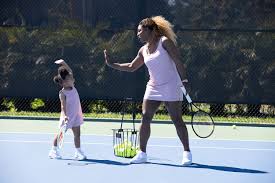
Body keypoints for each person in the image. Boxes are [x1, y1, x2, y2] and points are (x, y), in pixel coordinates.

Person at [104, 16, 192, 165]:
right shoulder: (143, 50)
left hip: (171, 85)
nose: (137, 34)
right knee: (145, 116)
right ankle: (142, 153)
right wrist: (113, 64)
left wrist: (184, 81)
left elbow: (178, 61)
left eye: (140, 31)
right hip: (153, 86)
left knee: (177, 119)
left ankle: (187, 153)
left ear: (149, 30)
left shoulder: (165, 42)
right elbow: (132, 67)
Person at [48, 59, 86, 160]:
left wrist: (64, 63)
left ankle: (78, 152)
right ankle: (53, 150)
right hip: (67, 117)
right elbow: (62, 106)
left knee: (77, 134)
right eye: (70, 78)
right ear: (64, 82)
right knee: (60, 134)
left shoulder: (72, 86)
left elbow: (70, 71)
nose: (72, 79)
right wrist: (65, 116)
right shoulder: (62, 93)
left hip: (76, 115)